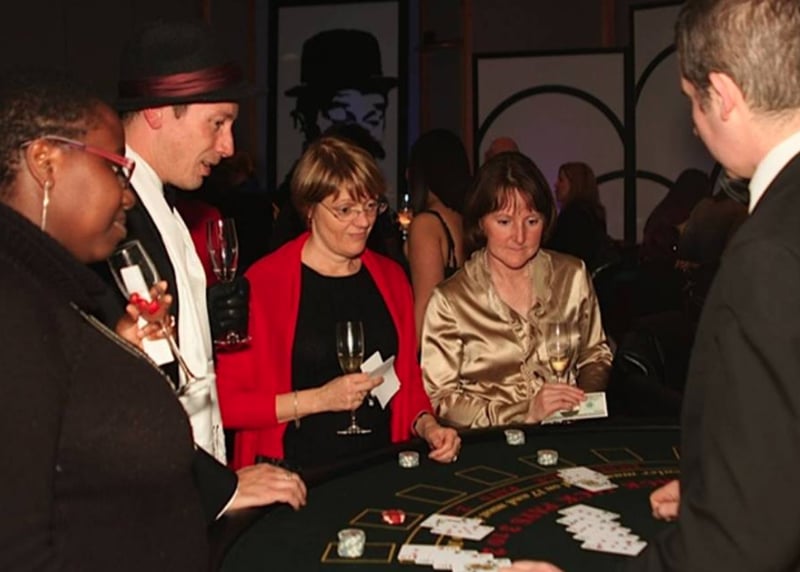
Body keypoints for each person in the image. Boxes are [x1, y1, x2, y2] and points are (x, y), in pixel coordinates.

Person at [502, 0, 800, 570]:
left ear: (724, 96)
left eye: (692, 100)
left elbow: (744, 544)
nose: (693, 124)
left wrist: (734, 506)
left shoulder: (768, 251)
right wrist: (724, 485)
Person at [0, 68, 302, 571]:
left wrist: (122, 354)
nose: (126, 195)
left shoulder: (47, 291)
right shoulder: (13, 308)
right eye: (115, 170)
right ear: (46, 162)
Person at [104, 20, 306, 522]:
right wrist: (218, 487)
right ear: (156, 110)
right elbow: (121, 391)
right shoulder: (111, 213)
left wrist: (202, 321)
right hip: (154, 509)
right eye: (217, 123)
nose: (229, 146)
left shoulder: (160, 202)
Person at [215, 136, 460, 472]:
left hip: (377, 467)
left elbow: (401, 381)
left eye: (371, 206)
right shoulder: (264, 283)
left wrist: (427, 425)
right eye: (345, 210)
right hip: (294, 474)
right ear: (310, 209)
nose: (363, 221)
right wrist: (320, 399)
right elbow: (227, 404)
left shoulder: (390, 277)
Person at [421, 152, 612, 428]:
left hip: (567, 434)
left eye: (531, 221)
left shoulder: (572, 276)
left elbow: (595, 354)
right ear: (481, 222)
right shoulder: (451, 300)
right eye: (504, 222)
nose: (519, 237)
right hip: (490, 444)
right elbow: (440, 397)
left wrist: (578, 402)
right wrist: (524, 412)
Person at [405, 128, 471, 341]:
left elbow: (427, 307)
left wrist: (407, 355)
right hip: (466, 338)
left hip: (438, 346)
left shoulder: (426, 225)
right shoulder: (465, 219)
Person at [546, 161, 619, 275]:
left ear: (574, 184)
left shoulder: (573, 216)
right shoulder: (593, 213)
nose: (556, 185)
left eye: (561, 180)